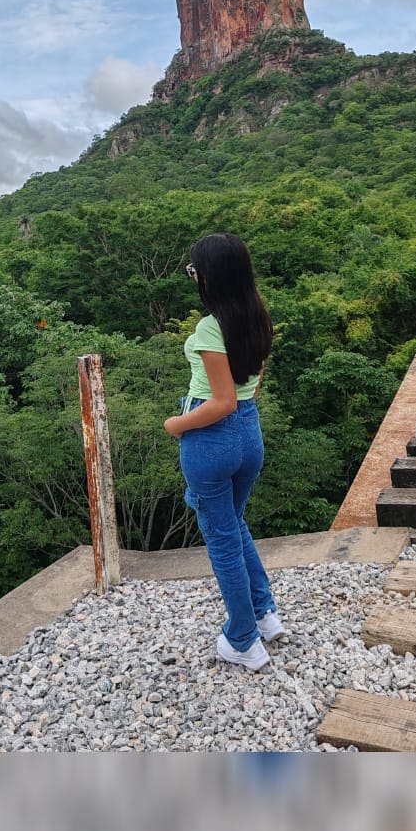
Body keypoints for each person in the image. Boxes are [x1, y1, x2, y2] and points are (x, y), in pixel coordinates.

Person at [162, 233, 285, 671]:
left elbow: (222, 402)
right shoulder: (257, 316)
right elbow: (250, 388)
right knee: (234, 523)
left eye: (194, 270)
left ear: (209, 276)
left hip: (211, 436)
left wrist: (176, 424)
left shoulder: (211, 327)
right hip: (249, 433)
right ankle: (265, 614)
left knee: (221, 540)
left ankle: (243, 640)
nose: (193, 277)